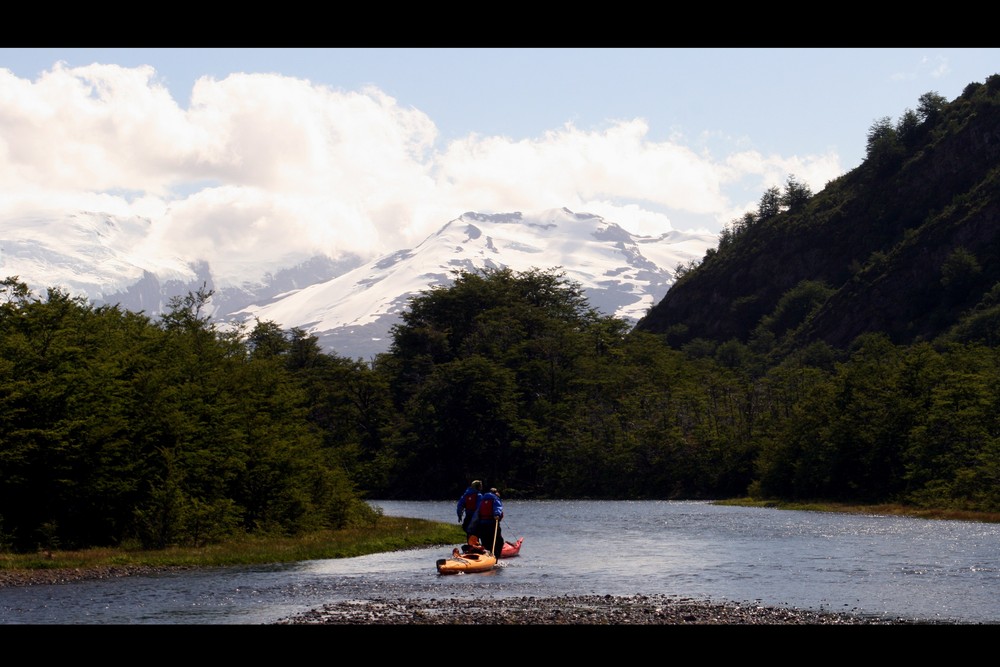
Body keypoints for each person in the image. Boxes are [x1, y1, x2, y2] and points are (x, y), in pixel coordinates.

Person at [470, 487, 505, 556]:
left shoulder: (482, 500)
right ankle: (495, 557)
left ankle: (486, 555)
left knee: (485, 542)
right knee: (499, 542)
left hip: (482, 525)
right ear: (495, 492)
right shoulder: (495, 498)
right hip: (492, 523)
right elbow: (497, 507)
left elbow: (477, 512)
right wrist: (497, 515)